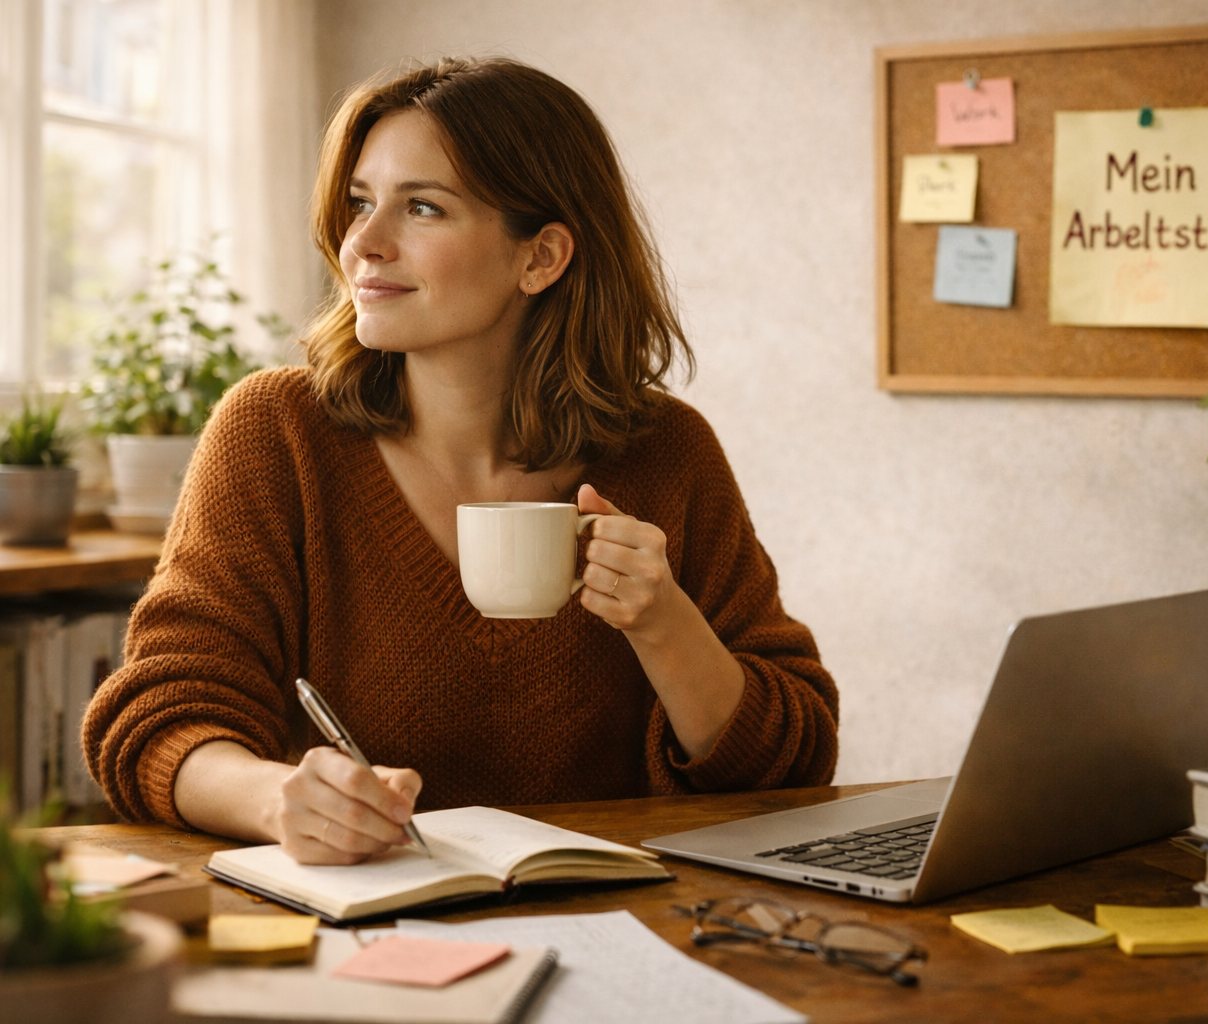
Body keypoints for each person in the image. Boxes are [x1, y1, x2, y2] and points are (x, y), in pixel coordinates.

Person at [83, 57, 838, 865]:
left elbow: (793, 763)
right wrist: (280, 802)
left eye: (422, 208)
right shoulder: (275, 433)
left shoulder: (666, 453)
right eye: (361, 203)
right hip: (365, 939)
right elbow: (155, 718)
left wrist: (663, 624)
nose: (364, 245)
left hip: (627, 924)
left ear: (541, 258)